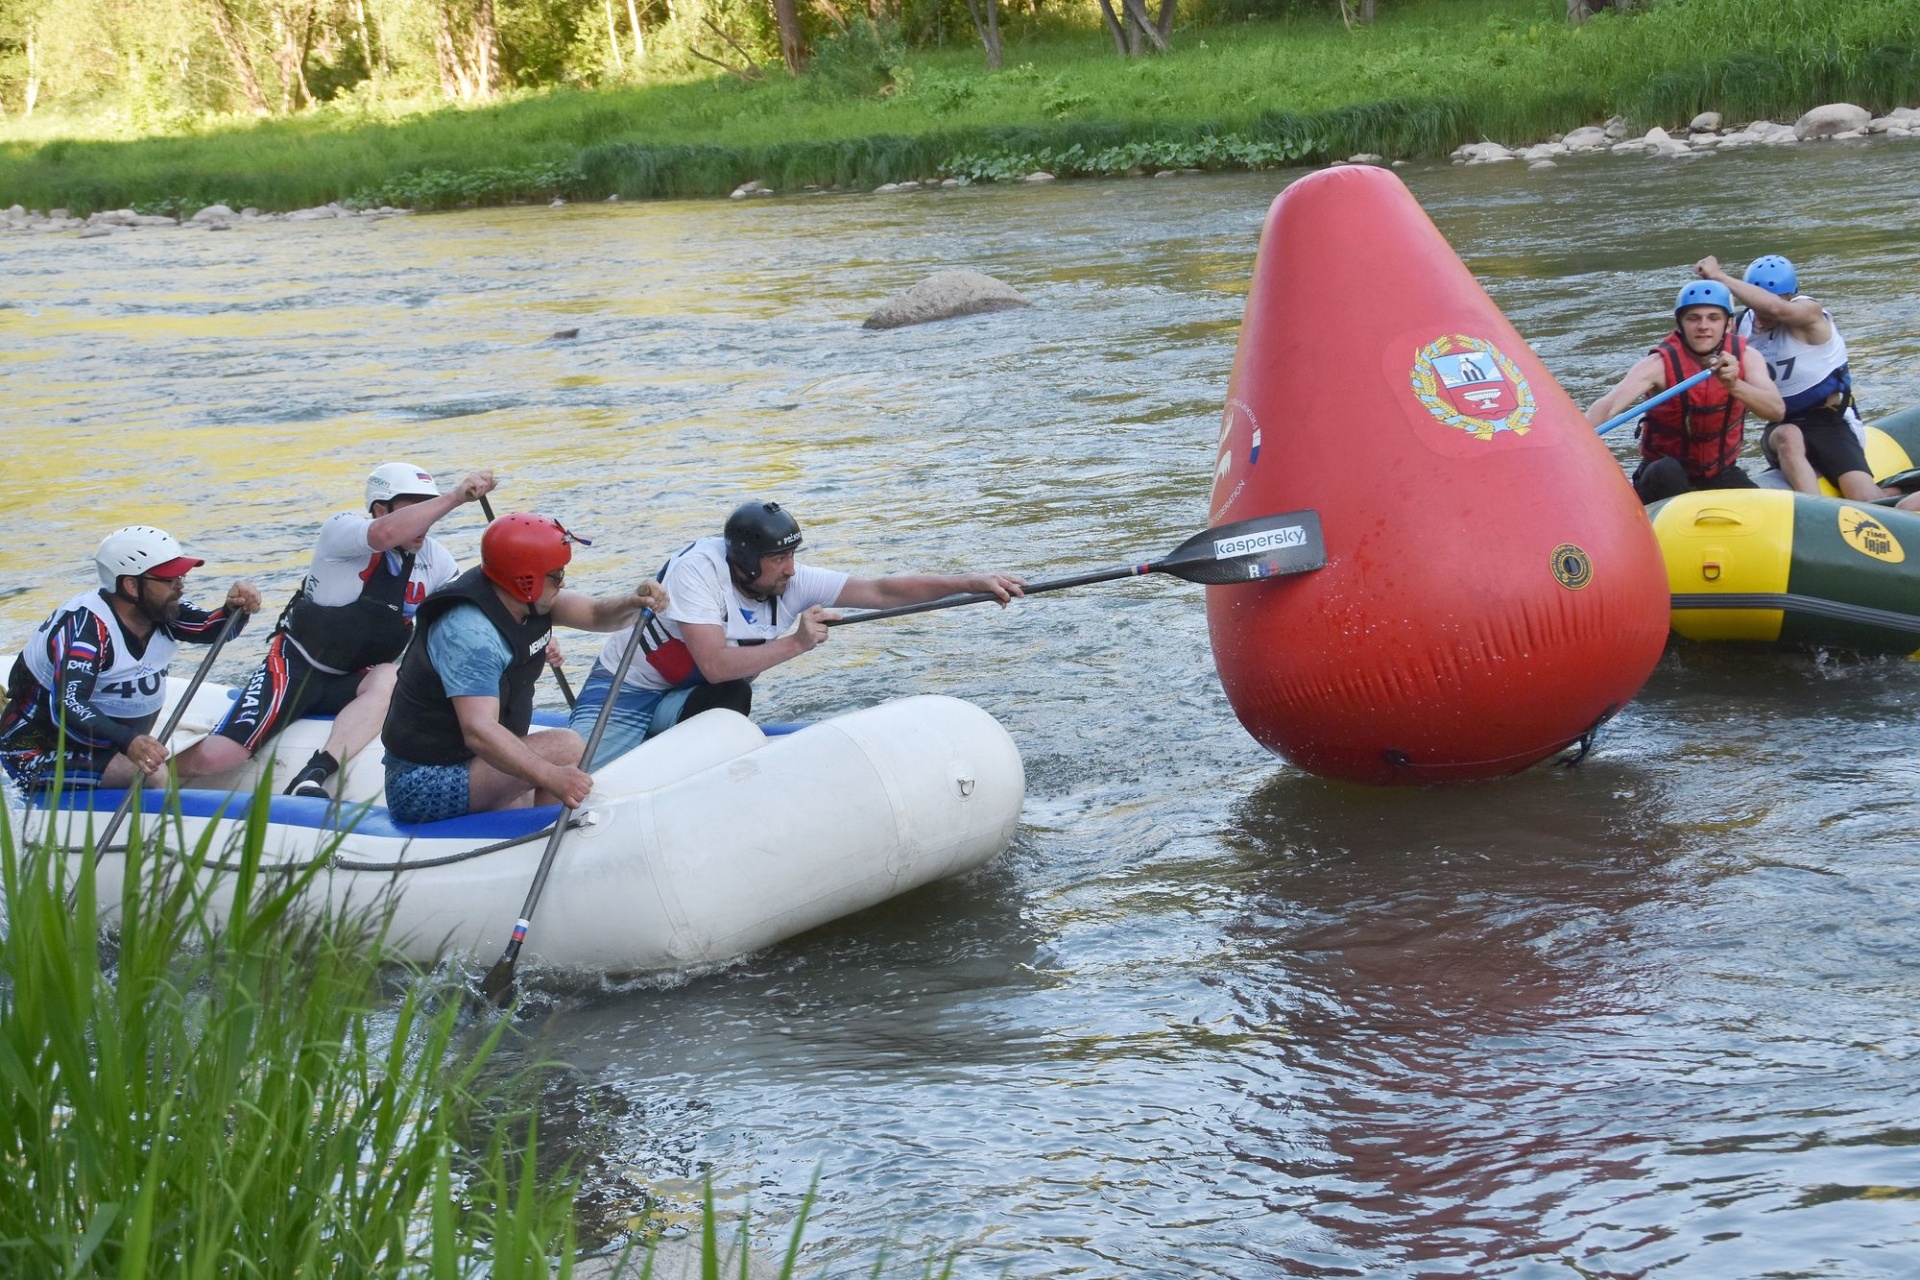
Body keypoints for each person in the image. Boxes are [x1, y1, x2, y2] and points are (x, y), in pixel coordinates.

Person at [567, 500, 1026, 762]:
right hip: (627, 691)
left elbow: (882, 591)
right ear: (745, 562)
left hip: (693, 699)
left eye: (792, 556)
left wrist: (968, 582)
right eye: (778, 560)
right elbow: (715, 664)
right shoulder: (698, 572)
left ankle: (677, 764)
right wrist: (797, 642)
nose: (791, 570)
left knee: (730, 702)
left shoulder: (789, 578)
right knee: (573, 772)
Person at [170, 463, 496, 798]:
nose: (427, 519)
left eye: (430, 508)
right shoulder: (342, 530)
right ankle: (142, 770)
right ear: (381, 509)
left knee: (391, 675)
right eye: (416, 509)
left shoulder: (436, 560)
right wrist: (456, 496)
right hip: (294, 667)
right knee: (219, 757)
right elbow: (382, 536)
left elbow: (460, 617)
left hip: (353, 678)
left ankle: (315, 772)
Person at [378, 512, 669, 825]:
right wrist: (551, 775)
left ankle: (534, 827)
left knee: (543, 768)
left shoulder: (523, 596)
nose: (563, 582)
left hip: (469, 763)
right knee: (565, 747)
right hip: (422, 783)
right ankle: (535, 835)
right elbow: (479, 731)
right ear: (525, 580)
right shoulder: (470, 633)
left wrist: (633, 602)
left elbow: (598, 615)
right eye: (556, 575)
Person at [0, 526, 262, 792]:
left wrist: (235, 609)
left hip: (105, 747)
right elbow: (68, 706)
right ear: (131, 584)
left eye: (181, 577)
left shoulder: (158, 611)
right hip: (33, 754)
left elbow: (211, 629)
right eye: (170, 579)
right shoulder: (86, 630)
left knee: (149, 765)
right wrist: (128, 741)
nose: (180, 588)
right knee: (152, 775)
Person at [1694, 253, 1882, 501]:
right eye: (1757, 302)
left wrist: (1718, 275)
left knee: (1867, 498)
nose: (1763, 310)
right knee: (1788, 434)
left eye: (1775, 298)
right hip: (1781, 427)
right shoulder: (1742, 327)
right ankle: (1816, 511)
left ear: (1790, 295)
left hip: (1830, 421)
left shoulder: (1810, 313)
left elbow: (1776, 308)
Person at [1585, 279, 1786, 505]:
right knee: (1669, 471)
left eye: (1713, 318)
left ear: (1728, 325)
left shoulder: (1748, 357)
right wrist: (1570, 443)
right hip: (1661, 476)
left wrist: (1734, 385)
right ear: (1679, 324)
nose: (1703, 326)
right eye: (1693, 318)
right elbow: (1608, 406)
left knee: (1758, 507)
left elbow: (1776, 411)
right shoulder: (1657, 364)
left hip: (1718, 472)